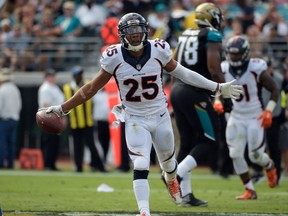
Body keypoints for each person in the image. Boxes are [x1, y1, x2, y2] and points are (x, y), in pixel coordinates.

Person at [45, 13, 242, 216]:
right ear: (122, 35)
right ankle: (144, 211)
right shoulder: (114, 57)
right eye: (130, 32)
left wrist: (216, 88)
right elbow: (90, 88)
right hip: (134, 118)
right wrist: (62, 108)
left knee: (169, 165)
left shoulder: (158, 49)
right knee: (140, 163)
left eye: (138, 31)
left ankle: (172, 180)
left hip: (160, 115)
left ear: (145, 31)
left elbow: (183, 73)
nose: (136, 36)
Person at [170, 2, 226, 207]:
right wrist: (224, 90)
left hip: (177, 89)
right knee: (210, 139)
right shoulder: (211, 35)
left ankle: (186, 195)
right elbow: (213, 67)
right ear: (212, 17)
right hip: (194, 92)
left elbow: (173, 63)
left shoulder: (185, 34)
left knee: (188, 142)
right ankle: (174, 176)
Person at [221, 35, 279, 200]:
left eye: (238, 54)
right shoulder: (224, 68)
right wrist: (218, 101)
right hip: (235, 116)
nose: (234, 57)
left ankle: (269, 165)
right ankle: (249, 190)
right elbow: (220, 89)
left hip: (255, 116)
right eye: (232, 54)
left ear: (245, 53)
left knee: (255, 156)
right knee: (235, 153)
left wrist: (269, 110)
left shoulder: (256, 67)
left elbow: (274, 89)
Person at [62, 65, 106, 173]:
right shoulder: (66, 88)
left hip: (88, 122)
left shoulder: (87, 84)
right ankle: (78, 167)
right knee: (77, 147)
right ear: (74, 76)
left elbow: (95, 102)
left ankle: (100, 166)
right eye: (78, 75)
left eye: (81, 74)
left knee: (92, 146)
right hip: (74, 123)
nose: (80, 77)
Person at [38, 68, 65, 171]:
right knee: (49, 142)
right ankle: (47, 164)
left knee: (55, 143)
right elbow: (46, 104)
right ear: (46, 77)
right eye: (51, 76)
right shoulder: (45, 88)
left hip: (55, 119)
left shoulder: (54, 87)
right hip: (48, 118)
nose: (53, 77)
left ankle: (52, 164)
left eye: (54, 75)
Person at [0, 68, 22, 169]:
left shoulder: (2, 90)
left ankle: (1, 163)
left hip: (4, 119)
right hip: (14, 119)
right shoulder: (15, 89)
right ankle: (10, 164)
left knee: (2, 143)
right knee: (11, 143)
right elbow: (19, 105)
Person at [92, 88, 111, 164]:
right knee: (97, 143)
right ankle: (95, 162)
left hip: (108, 121)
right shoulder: (95, 94)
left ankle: (104, 160)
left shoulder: (109, 94)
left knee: (106, 142)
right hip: (98, 121)